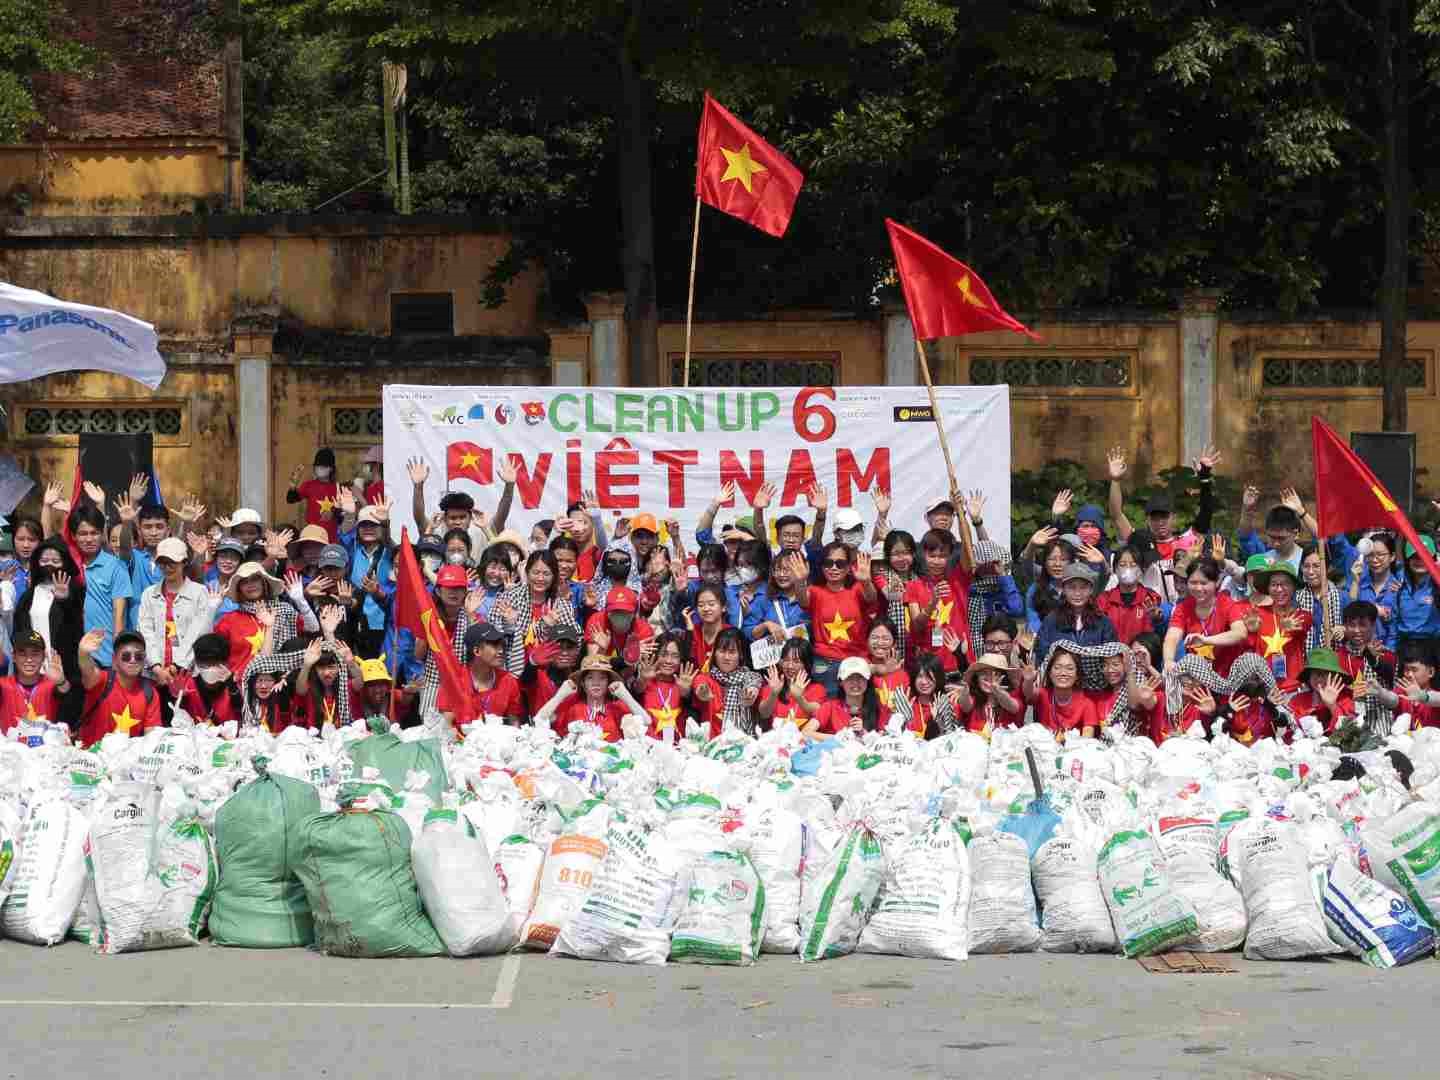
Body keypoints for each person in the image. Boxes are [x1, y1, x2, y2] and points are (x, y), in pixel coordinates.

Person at [1106, 445, 1218, 603]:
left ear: (1174, 517)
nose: (1160, 522)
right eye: (1155, 518)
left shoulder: (1188, 541)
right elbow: (1116, 514)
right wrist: (1115, 480)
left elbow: (1206, 511)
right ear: (1148, 520)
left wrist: (1205, 478)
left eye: (1164, 517)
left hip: (1183, 611)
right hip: (1150, 613)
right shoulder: (1141, 542)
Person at [13, 537, 85, 726]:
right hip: (33, 665)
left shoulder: (74, 591)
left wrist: (64, 599)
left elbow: (76, 625)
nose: (49, 565)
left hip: (62, 665)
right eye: (44, 561)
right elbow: (19, 628)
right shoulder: (30, 594)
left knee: (62, 719)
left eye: (55, 561)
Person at [137, 536, 219, 693]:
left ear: (184, 562)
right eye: (163, 562)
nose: (167, 567)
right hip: (154, 675)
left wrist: (176, 666)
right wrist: (156, 667)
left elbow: (198, 632)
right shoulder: (148, 594)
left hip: (188, 674)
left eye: (172, 562)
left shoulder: (199, 592)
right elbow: (145, 631)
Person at [799, 543, 878, 693]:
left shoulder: (857, 589)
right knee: (825, 710)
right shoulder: (815, 591)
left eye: (840, 564)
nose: (834, 568)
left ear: (848, 568)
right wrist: (799, 581)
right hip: (825, 663)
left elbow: (871, 598)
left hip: (856, 661)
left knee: (855, 710)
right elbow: (803, 600)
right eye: (828, 563)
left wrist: (866, 581)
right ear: (822, 567)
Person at [492, 549, 580, 677]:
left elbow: (575, 639)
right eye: (536, 572)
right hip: (512, 669)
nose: (540, 578)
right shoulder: (509, 598)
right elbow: (492, 639)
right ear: (527, 573)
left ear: (554, 576)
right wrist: (509, 625)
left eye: (546, 574)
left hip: (549, 674)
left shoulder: (561, 605)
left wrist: (551, 630)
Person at [69, 504, 132, 669]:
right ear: (73, 536)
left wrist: (118, 658)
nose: (89, 539)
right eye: (83, 534)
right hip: (73, 658)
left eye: (94, 533)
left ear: (102, 534)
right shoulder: (69, 566)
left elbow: (119, 618)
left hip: (105, 659)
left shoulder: (116, 566)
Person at [1164, 557, 1249, 676]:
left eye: (1204, 583)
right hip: (1198, 678)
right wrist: (1168, 661)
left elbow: (1240, 633)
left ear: (1216, 582)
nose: (1198, 588)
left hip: (1229, 677)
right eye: (1193, 583)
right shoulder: (1183, 607)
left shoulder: (1227, 603)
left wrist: (1206, 640)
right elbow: (1172, 637)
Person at [77, 628, 160, 743]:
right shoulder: (103, 680)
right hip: (92, 757)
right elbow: (88, 671)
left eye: (138, 656)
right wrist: (83, 654)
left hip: (126, 759)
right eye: (126, 656)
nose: (132, 660)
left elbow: (152, 738)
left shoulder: (150, 692)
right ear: (114, 660)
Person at [535, 654, 646, 741]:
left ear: (608, 682)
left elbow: (646, 721)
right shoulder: (573, 707)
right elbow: (539, 719)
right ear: (582, 683)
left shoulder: (616, 708)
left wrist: (626, 696)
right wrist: (559, 696)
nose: (596, 683)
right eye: (590, 678)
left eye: (602, 678)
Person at [904, 530, 971, 673]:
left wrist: (961, 514)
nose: (936, 561)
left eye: (942, 556)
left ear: (951, 556)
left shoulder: (959, 579)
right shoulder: (913, 586)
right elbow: (917, 626)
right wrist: (932, 603)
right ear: (923, 555)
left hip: (959, 663)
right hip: (928, 668)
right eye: (932, 556)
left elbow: (968, 547)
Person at [1242, 560, 1310, 687]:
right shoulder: (1258, 614)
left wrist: (1290, 627)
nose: (1279, 589)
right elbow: (1250, 649)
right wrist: (1251, 632)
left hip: (1293, 688)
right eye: (1274, 584)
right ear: (1268, 588)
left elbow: (1302, 626)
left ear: (1294, 587)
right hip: (1264, 689)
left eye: (1285, 584)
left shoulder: (1303, 615)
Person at [445, 622, 524, 727]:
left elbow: (514, 723)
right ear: (477, 651)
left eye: (502, 645)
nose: (501, 651)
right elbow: (447, 726)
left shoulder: (508, 680)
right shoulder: (454, 681)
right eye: (494, 645)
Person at [688, 627, 763, 737]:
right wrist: (701, 689)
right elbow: (700, 682)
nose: (726, 657)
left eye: (732, 652)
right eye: (722, 651)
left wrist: (750, 693)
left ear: (741, 655)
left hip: (744, 742)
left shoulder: (751, 676)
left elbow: (753, 684)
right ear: (715, 653)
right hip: (712, 744)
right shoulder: (707, 677)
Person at [1033, 564, 1116, 660]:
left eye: (1083, 588)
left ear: (1091, 590)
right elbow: (1041, 654)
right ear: (1063, 589)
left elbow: (1112, 656)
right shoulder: (1051, 621)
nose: (1077, 593)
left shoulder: (1103, 622)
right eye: (1072, 587)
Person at [1022, 644, 1099, 740]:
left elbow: (1087, 738)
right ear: (1049, 673)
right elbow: (1029, 693)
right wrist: (1028, 680)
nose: (1063, 673)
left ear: (1077, 675)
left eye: (1070, 668)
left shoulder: (1087, 704)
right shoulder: (1044, 694)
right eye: (1057, 667)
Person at [0, 630, 66, 735]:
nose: (29, 659)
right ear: (13, 657)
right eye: (22, 653)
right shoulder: (3, 685)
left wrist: (61, 682)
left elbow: (67, 693)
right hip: (10, 749)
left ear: (43, 656)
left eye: (35, 654)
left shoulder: (51, 685)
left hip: (45, 749)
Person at [172, 632, 245, 726]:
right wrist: (178, 697)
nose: (210, 669)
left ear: (226, 663)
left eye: (214, 664)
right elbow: (178, 720)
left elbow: (245, 715)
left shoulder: (236, 686)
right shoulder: (187, 686)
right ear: (197, 663)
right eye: (205, 665)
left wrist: (233, 689)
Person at [633, 631, 697, 739]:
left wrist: (687, 694)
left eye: (675, 656)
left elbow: (693, 711)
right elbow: (635, 692)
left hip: (678, 750)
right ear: (655, 655)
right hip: (646, 748)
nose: (669, 661)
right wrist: (643, 680)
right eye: (663, 655)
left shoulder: (684, 683)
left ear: (681, 659)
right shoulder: (644, 682)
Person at [756, 637, 825, 734]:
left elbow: (817, 711)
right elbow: (764, 713)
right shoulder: (773, 685)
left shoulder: (817, 689)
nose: (790, 666)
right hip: (777, 741)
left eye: (796, 661)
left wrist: (799, 698)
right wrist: (774, 694)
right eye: (786, 660)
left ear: (807, 664)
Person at [1097, 545, 1164, 644]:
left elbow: (1160, 636)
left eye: (1133, 565)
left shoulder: (1151, 598)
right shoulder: (1104, 600)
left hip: (1141, 656)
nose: (1127, 569)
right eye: (1122, 565)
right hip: (1114, 657)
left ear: (1141, 570)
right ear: (1115, 569)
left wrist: (1157, 620)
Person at [519, 622, 584, 718]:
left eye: (569, 647)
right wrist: (532, 663)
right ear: (548, 648)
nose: (564, 653)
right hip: (541, 730)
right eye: (559, 647)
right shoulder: (538, 673)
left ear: (576, 650)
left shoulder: (581, 676)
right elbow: (524, 681)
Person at [1285, 648, 1356, 735]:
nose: (1319, 678)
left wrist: (1332, 706)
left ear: (1335, 677)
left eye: (1324, 673)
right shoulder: (1297, 701)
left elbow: (1349, 733)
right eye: (1314, 673)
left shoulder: (1346, 699)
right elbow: (1288, 733)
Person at [292, 634, 355, 729]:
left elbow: (360, 682)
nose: (326, 673)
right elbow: (300, 690)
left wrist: (351, 663)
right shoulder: (310, 688)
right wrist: (306, 665)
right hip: (314, 739)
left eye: (331, 667)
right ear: (315, 669)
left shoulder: (345, 686)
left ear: (339, 668)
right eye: (321, 668)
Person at [584, 585, 654, 671]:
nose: (620, 616)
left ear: (634, 613)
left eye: (625, 612)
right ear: (607, 611)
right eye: (615, 611)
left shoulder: (644, 630)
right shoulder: (597, 622)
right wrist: (601, 650)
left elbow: (641, 672)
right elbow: (592, 668)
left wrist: (633, 656)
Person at [1351, 533, 1402, 649]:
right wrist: (1355, 581)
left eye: (1380, 555)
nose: (1374, 559)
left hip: (1391, 652)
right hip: (1362, 651)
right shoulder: (1360, 584)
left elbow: (1400, 625)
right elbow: (1351, 612)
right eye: (1370, 555)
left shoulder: (1398, 587)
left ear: (1392, 557)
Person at [954, 652, 1022, 737]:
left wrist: (998, 692)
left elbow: (1013, 707)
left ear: (1004, 678)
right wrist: (965, 692)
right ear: (977, 678)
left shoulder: (1012, 696)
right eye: (984, 673)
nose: (989, 678)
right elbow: (965, 705)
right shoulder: (973, 699)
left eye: (996, 674)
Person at [813, 656, 883, 736]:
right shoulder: (829, 707)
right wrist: (839, 738)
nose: (855, 682)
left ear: (867, 680)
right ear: (841, 682)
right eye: (849, 678)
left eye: (860, 677)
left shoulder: (879, 708)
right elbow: (806, 732)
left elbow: (887, 737)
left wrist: (864, 733)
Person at [1394, 536, 1440, 654]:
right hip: (1404, 646)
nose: (1419, 561)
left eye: (1424, 557)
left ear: (1433, 558)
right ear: (1408, 560)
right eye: (1414, 557)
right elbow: (1398, 557)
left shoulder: (1437, 583)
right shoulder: (1401, 580)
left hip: (1432, 648)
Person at [287, 448, 343, 541]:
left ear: (331, 469)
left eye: (324, 466)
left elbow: (342, 515)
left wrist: (333, 513)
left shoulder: (338, 488)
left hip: (331, 536)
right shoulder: (308, 485)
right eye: (318, 466)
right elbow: (291, 499)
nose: (320, 468)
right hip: (312, 535)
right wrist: (292, 486)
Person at [865, 618, 909, 727]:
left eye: (886, 639)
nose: (880, 643)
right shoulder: (860, 665)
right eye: (874, 637)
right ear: (866, 640)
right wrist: (880, 670)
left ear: (894, 643)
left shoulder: (903, 675)